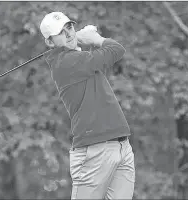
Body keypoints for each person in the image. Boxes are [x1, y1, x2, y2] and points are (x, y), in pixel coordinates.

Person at [40, 12, 135, 199]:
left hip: (122, 146)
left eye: (69, 27)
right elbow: (116, 50)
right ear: (50, 43)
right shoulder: (66, 62)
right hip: (94, 151)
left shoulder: (77, 57)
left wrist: (80, 42)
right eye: (60, 32)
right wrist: (95, 38)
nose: (68, 34)